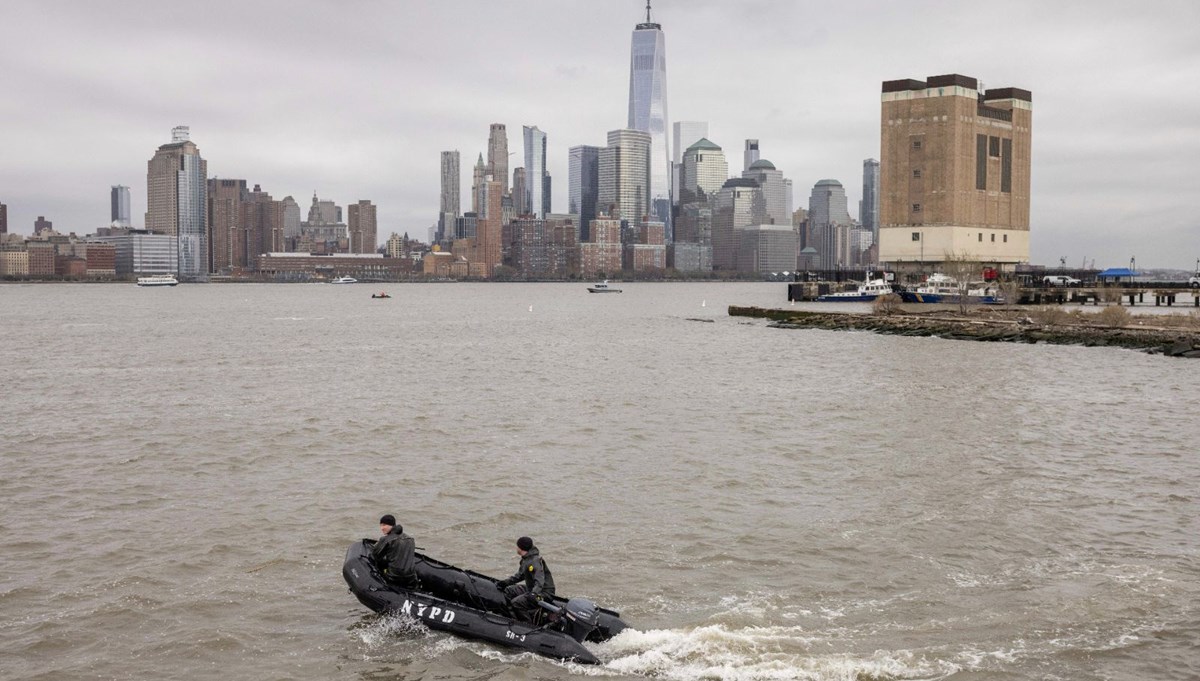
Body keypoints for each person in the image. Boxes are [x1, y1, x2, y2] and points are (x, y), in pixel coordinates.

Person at [494, 536, 555, 623]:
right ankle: (514, 619)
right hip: (532, 589)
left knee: (516, 603)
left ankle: (527, 624)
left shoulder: (534, 562)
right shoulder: (527, 560)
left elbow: (539, 581)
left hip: (544, 593)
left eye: (517, 546)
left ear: (521, 548)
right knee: (508, 591)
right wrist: (504, 583)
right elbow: (519, 576)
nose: (516, 548)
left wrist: (534, 593)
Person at [371, 514, 417, 588]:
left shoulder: (386, 539)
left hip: (394, 578)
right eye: (381, 525)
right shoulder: (410, 539)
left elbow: (374, 556)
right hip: (411, 578)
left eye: (384, 525)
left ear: (391, 525)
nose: (381, 528)